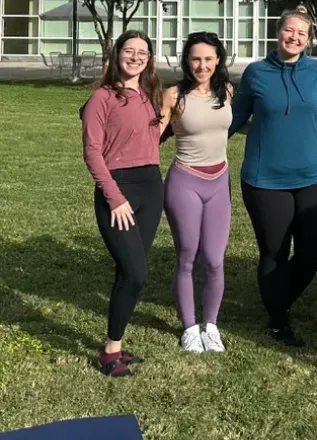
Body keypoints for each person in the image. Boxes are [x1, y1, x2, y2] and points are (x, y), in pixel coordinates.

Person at [228, 8, 317, 347]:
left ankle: (277, 298)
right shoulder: (256, 73)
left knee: (312, 250)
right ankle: (278, 320)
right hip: (265, 179)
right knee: (274, 251)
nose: (295, 37)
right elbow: (234, 118)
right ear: (278, 32)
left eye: (302, 33)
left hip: (313, 174)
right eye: (290, 30)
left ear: (308, 40)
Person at [80, 30, 163, 377]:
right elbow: (92, 152)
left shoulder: (149, 95)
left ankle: (115, 347)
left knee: (128, 272)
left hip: (151, 187)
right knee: (136, 273)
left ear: (149, 59)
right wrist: (114, 197)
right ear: (117, 55)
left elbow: (152, 136)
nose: (136, 57)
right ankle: (110, 352)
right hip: (120, 191)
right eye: (129, 51)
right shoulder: (101, 97)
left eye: (143, 52)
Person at [160, 32, 233, 353]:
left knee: (215, 260)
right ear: (186, 61)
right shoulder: (173, 95)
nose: (202, 65)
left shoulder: (227, 91)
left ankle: (211, 326)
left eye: (208, 59)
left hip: (219, 183)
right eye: (195, 59)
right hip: (184, 182)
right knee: (188, 256)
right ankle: (190, 326)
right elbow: (151, 136)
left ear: (218, 60)